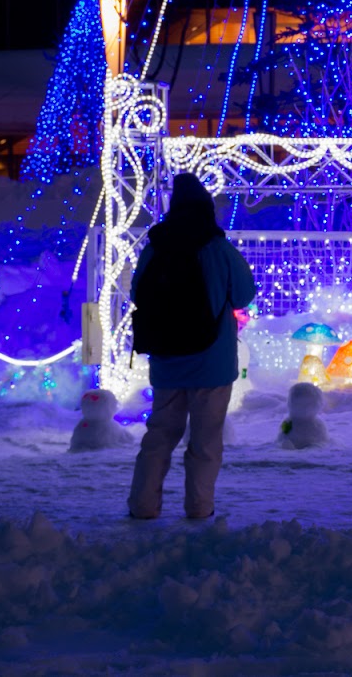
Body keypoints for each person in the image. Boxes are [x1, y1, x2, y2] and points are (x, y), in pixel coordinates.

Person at [127, 173, 257, 520]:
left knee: (159, 436)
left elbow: (136, 292)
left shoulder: (157, 245)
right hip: (212, 361)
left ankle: (143, 505)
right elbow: (244, 294)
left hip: (168, 359)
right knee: (205, 440)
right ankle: (199, 508)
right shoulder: (218, 247)